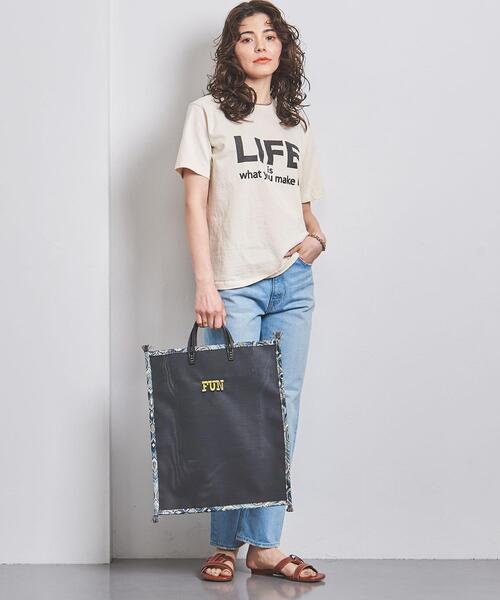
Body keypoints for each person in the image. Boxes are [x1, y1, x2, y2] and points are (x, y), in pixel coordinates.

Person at [174, 0, 327, 583]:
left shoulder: (297, 125)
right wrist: (205, 283)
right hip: (232, 285)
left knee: (280, 411)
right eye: (246, 37)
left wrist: (316, 240)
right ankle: (223, 543)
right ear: (231, 51)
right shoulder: (207, 113)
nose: (260, 45)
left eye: (269, 35)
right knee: (228, 409)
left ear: (283, 47)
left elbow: (303, 205)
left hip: (292, 282)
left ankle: (264, 545)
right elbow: (194, 204)